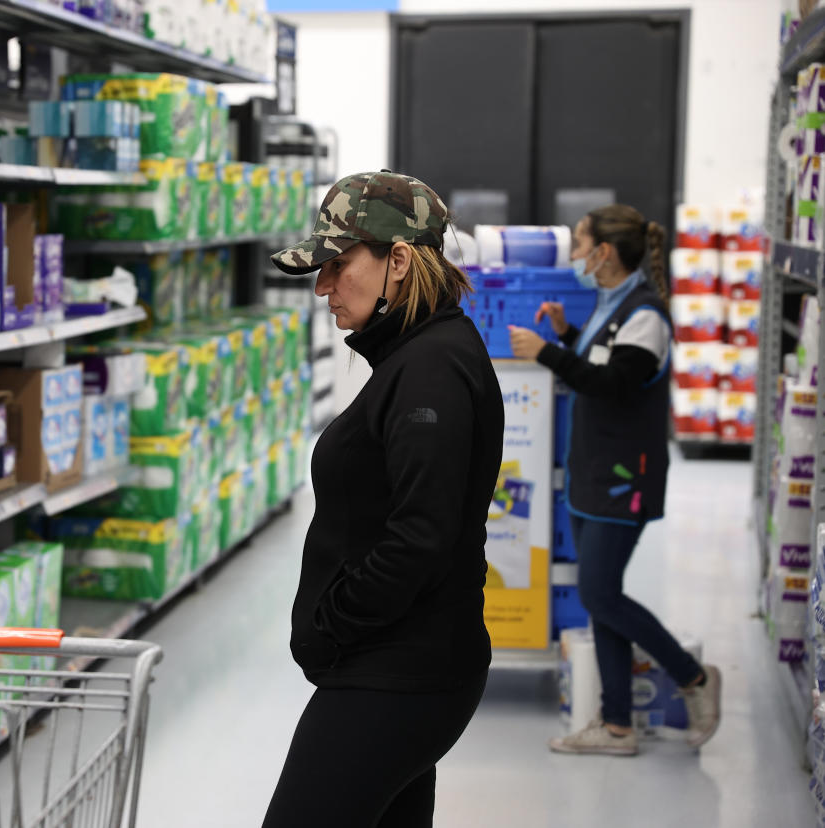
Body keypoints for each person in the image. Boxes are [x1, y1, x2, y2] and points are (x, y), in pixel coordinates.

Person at [262, 171, 504, 828]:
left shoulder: (430, 369)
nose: (322, 286)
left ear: (398, 261)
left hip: (397, 677)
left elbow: (421, 537)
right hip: (408, 668)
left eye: (339, 265)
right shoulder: (418, 354)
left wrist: (332, 622)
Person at [508, 204, 723, 756]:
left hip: (624, 476)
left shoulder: (646, 313)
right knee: (601, 599)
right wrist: (567, 331)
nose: (575, 257)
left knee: (599, 593)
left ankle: (693, 676)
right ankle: (618, 726)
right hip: (593, 470)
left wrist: (548, 352)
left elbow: (615, 385)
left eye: (580, 246)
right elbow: (608, 360)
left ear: (604, 253)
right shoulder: (614, 307)